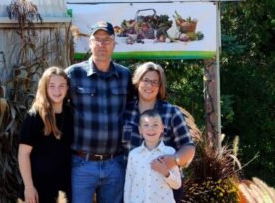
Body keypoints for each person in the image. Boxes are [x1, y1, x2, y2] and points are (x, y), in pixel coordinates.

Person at [65, 21, 134, 203]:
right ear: (90, 43)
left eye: (107, 40)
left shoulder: (125, 76)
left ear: (114, 43)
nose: (102, 44)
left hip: (115, 163)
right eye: (97, 40)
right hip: (82, 164)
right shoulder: (73, 74)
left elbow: (136, 110)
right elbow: (52, 105)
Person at [122, 62, 195, 202]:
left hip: (165, 187)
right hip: (135, 188)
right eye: (146, 80)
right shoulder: (125, 110)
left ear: (160, 86)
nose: (150, 85)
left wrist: (174, 160)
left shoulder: (171, 112)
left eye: (155, 82)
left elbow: (188, 147)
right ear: (137, 82)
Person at [18, 66, 72, 203]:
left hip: (63, 188)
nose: (57, 91)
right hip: (38, 187)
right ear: (44, 87)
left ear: (67, 88)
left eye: (61, 86)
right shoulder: (35, 116)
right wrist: (29, 187)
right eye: (51, 86)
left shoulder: (70, 114)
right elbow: (23, 154)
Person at [124, 109, 181, 203]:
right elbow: (128, 185)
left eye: (155, 125)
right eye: (146, 125)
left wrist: (165, 172)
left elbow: (177, 184)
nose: (151, 129)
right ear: (140, 129)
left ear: (162, 128)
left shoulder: (170, 152)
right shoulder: (133, 154)